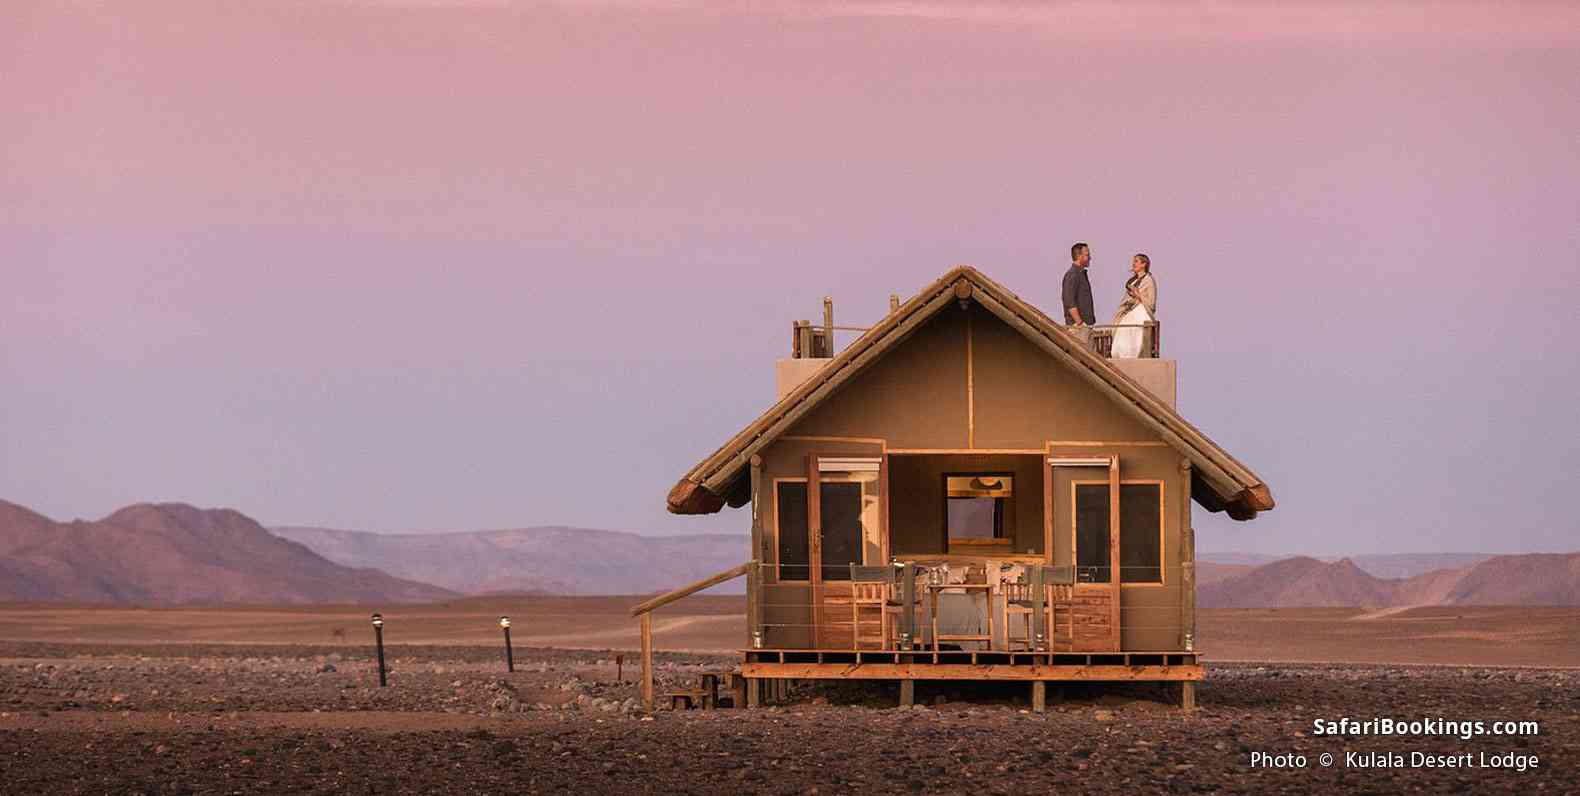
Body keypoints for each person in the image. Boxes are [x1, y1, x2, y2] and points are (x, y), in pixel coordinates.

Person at [1109, 253, 1157, 358]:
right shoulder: (1133, 280)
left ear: (1143, 264)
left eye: (1136, 261)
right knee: (1122, 330)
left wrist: (1138, 295)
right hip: (1130, 311)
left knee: (1133, 332)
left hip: (1141, 311)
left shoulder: (1149, 280)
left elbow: (1151, 303)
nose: (1133, 264)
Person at [1060, 243, 1095, 343]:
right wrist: (1079, 323)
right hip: (1078, 329)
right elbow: (1068, 300)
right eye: (1087, 255)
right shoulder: (1072, 275)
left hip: (1085, 327)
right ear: (1079, 256)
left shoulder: (1081, 274)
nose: (1090, 258)